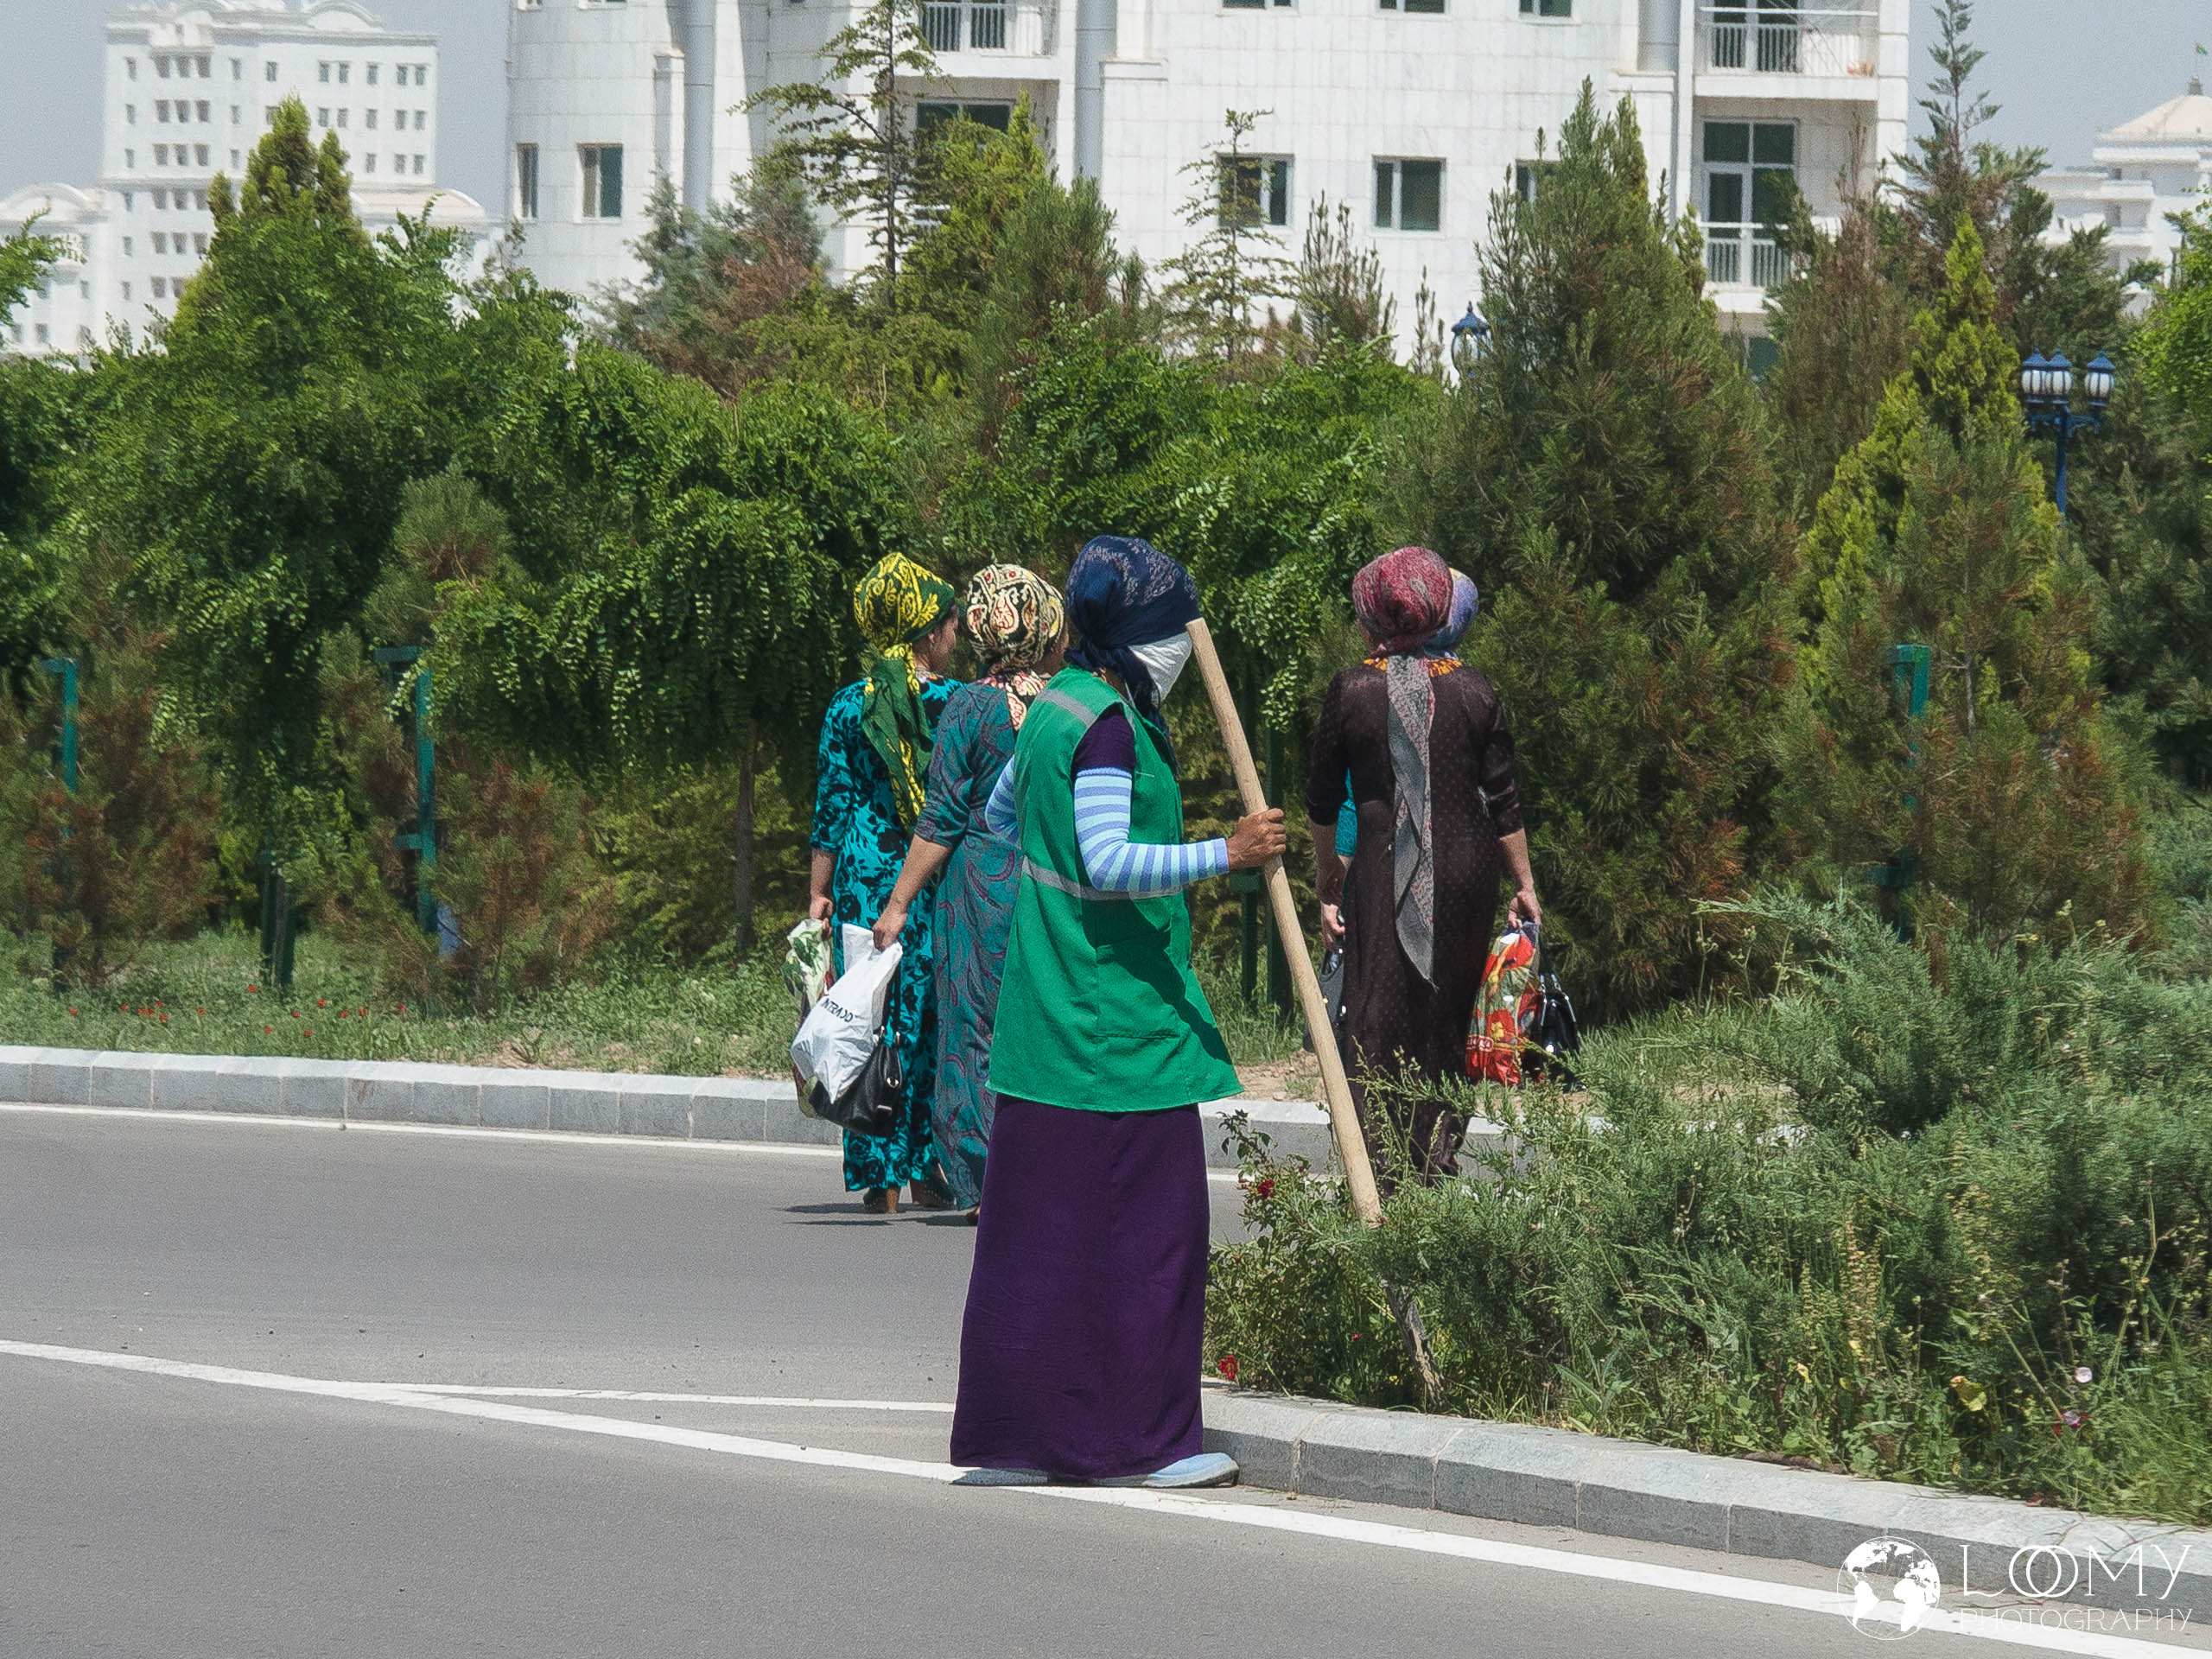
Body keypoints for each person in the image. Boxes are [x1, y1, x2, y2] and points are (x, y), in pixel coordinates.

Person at [950, 536, 1286, 1489]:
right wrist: (1226, 854)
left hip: (1046, 1019)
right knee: (1150, 1246)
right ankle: (1147, 1444)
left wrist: (1049, 882)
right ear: (1135, 634)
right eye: (1168, 629)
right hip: (1115, 1032)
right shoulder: (1106, 727)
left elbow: (1004, 817)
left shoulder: (1055, 704)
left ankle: (1021, 1441)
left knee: (1038, 1251)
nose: (1179, 647)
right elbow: (1106, 860)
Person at [1306, 547, 1537, 1185]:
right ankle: (1436, 1156)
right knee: (1446, 1010)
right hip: (1467, 871)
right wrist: (1524, 883)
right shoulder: (1474, 689)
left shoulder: (1354, 690)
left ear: (1373, 614)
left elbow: (1322, 798)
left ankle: (1379, 1168)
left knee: (1376, 1011)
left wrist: (1327, 876)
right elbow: (1503, 800)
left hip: (1380, 872)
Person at [872, 564, 1066, 1216]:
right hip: (1055, 883)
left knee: (976, 1030)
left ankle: (990, 1180)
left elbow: (942, 819)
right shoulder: (1071, 701)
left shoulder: (968, 707)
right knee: (1045, 1027)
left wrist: (898, 903)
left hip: (982, 889)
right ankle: (1050, 1172)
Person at [808, 553, 964, 1215]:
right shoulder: (956, 704)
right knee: (929, 1016)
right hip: (930, 879)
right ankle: (928, 1166)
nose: (956, 635)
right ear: (928, 631)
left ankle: (882, 1178)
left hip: (864, 880)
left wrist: (816, 896)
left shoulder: (850, 705)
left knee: (868, 1018)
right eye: (951, 623)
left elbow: (833, 806)